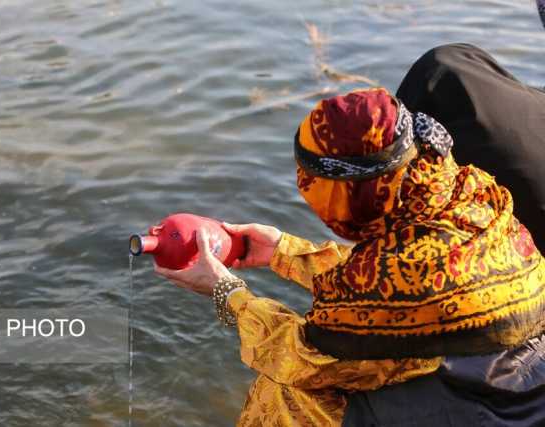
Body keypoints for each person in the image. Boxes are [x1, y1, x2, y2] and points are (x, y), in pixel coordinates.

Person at [155, 47, 545, 426]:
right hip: (524, 376)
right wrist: (283, 251)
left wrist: (226, 291)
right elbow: (395, 285)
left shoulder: (386, 282)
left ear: (354, 190)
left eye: (316, 185)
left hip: (489, 410)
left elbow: (303, 358)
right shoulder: (464, 192)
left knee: (290, 394)